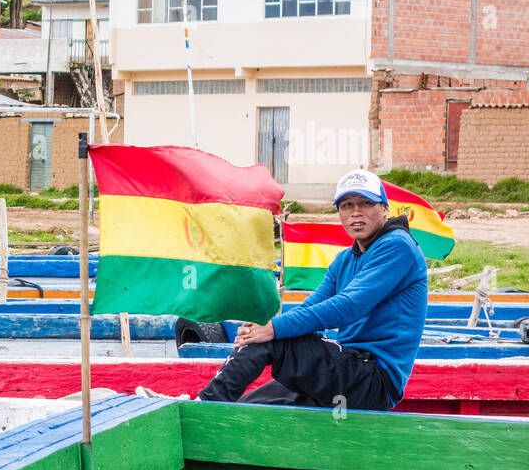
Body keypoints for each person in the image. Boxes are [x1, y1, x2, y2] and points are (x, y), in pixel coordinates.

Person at [145, 169, 428, 412]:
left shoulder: (397, 246)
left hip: (375, 379)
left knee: (271, 340)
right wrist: (265, 325)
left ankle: (204, 406)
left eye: (366, 203)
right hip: (347, 368)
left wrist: (273, 331)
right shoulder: (345, 260)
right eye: (347, 205)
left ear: (385, 209)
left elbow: (349, 306)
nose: (356, 212)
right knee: (248, 406)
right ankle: (206, 409)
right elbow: (311, 305)